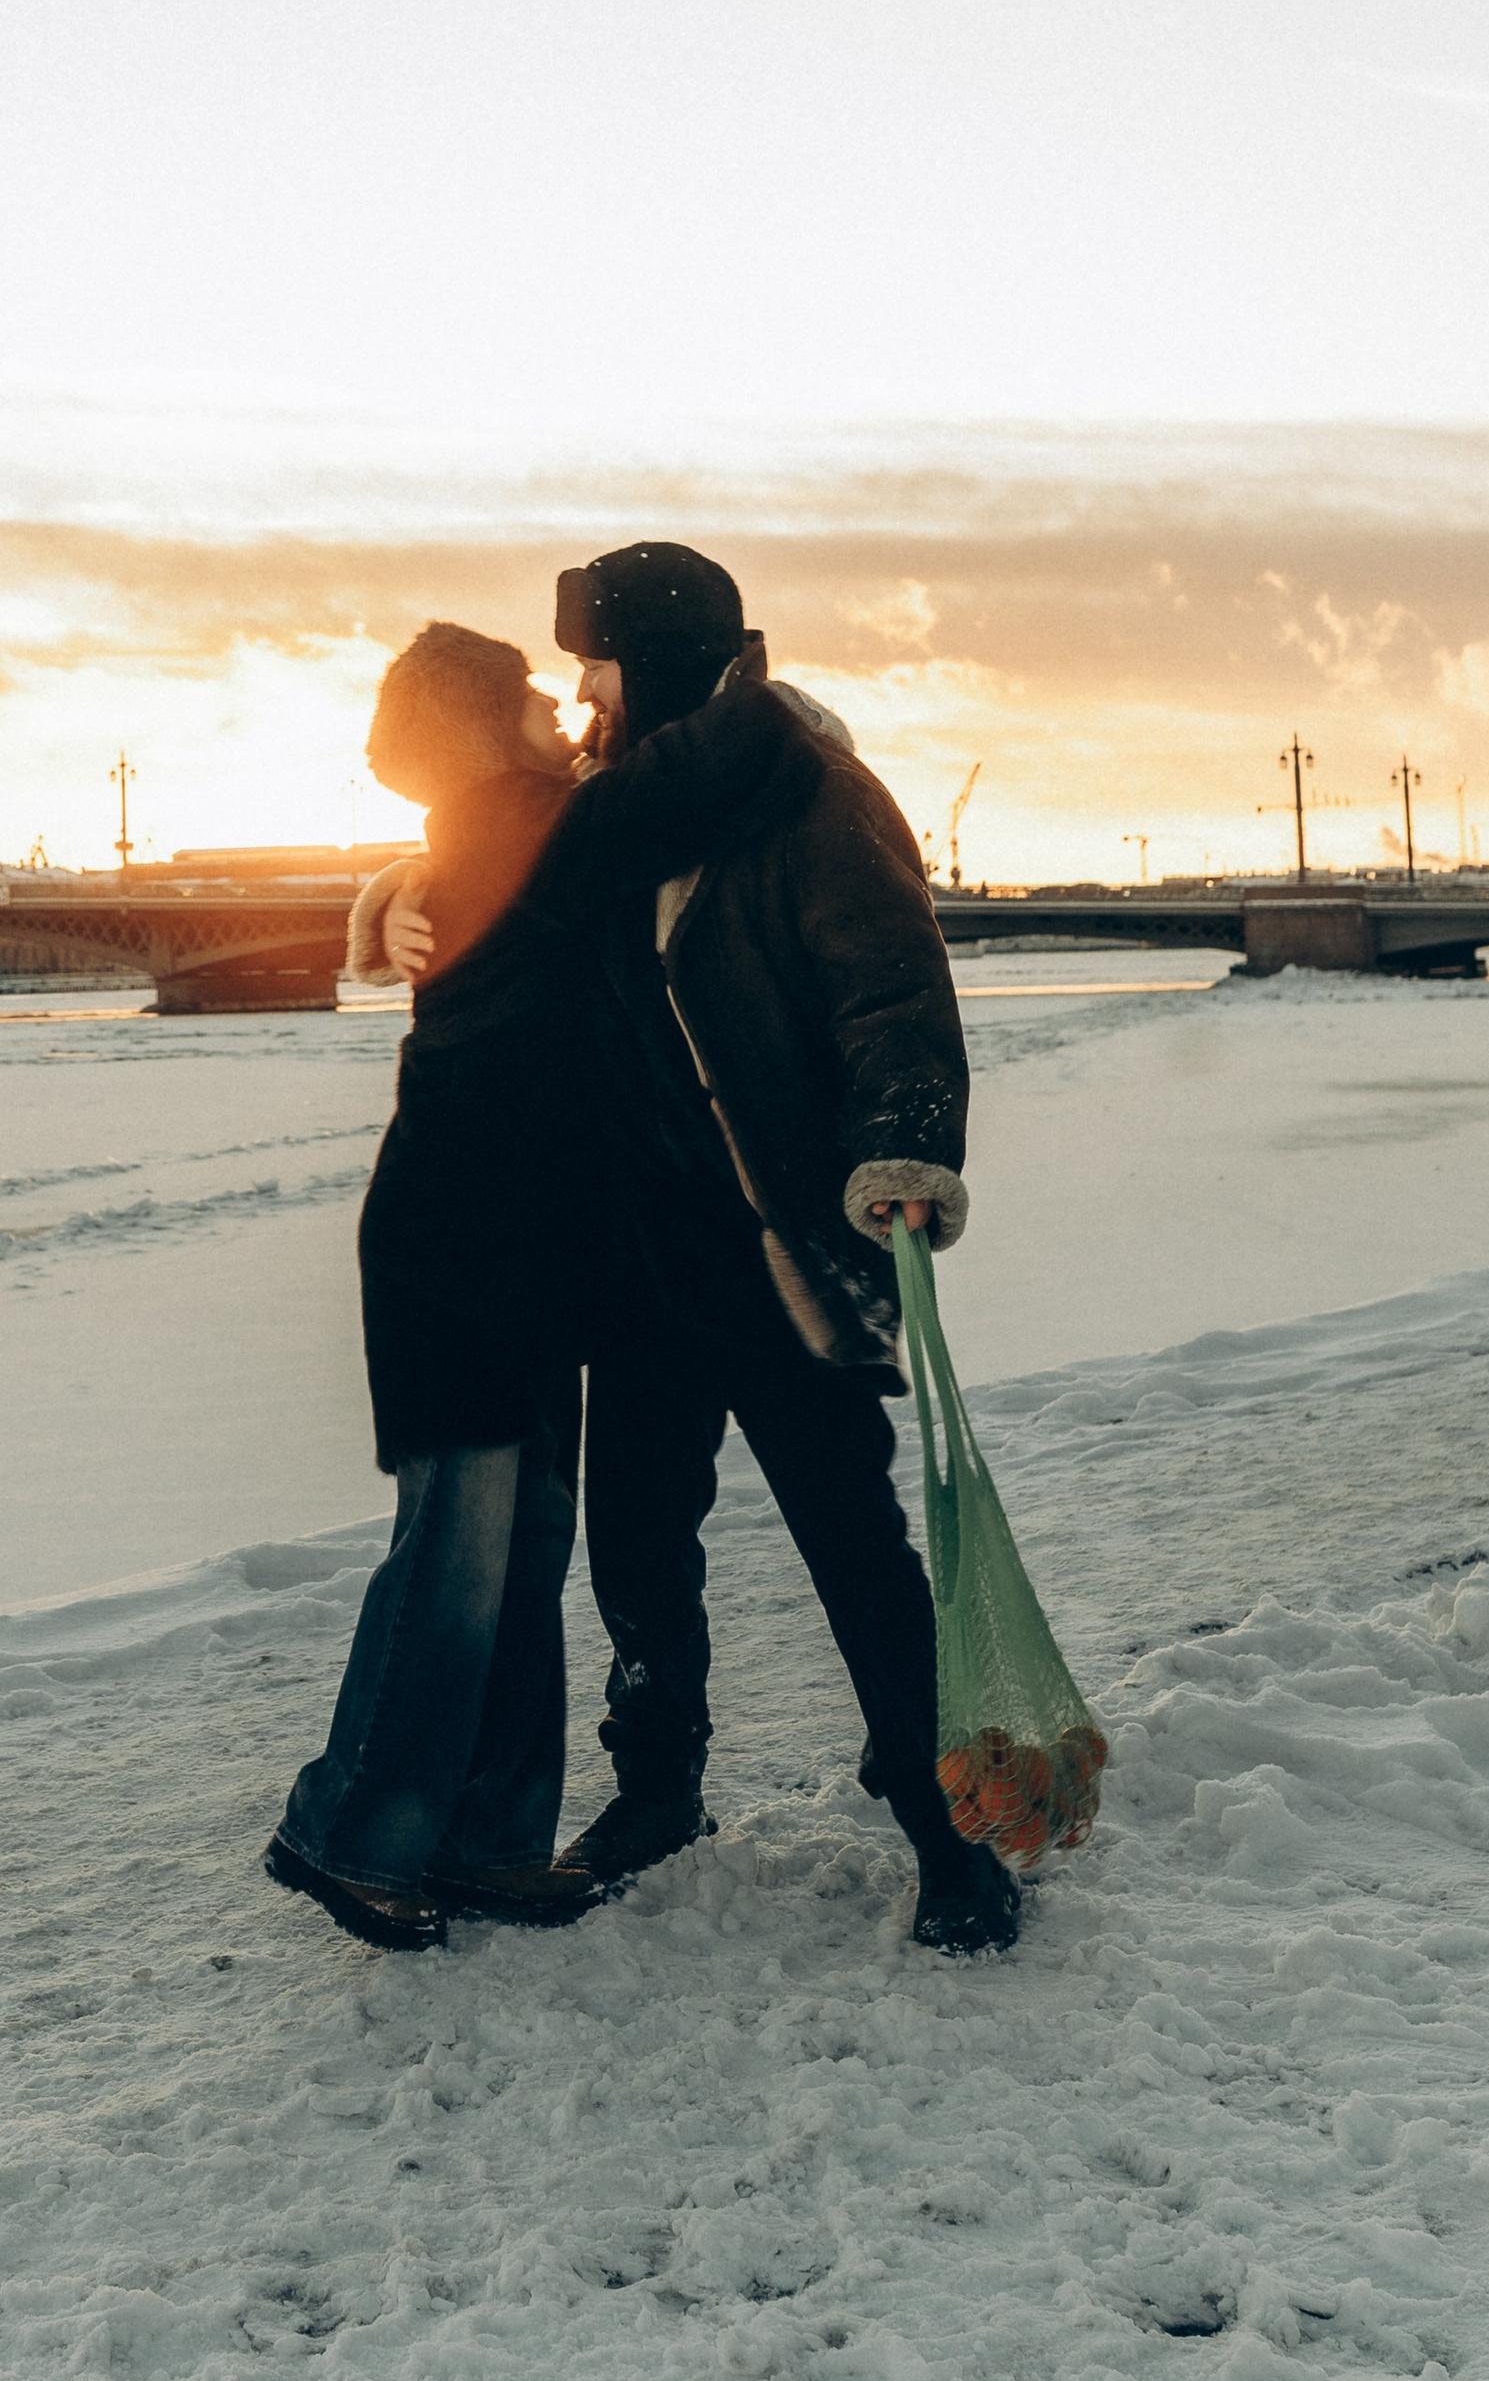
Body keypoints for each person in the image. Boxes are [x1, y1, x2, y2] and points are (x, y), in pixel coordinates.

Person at [382, 545, 1019, 1957]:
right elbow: (498, 858)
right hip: (641, 1256)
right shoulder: (615, 800)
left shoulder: (808, 793)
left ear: (653, 658)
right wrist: (395, 898)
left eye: (591, 664)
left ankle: (947, 1828)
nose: (577, 693)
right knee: (638, 1545)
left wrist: (903, 1150)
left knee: (854, 1546)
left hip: (778, 1251)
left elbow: (893, 991)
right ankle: (657, 1784)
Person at [266, 620, 821, 1952]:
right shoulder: (526, 826)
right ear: (476, 732)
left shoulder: (498, 829)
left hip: (525, 1251)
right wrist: (731, 675)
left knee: (523, 1553)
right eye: (529, 696)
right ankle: (349, 1832)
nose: (558, 712)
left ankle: (492, 1840)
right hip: (460, 1254)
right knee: (458, 1554)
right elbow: (699, 765)